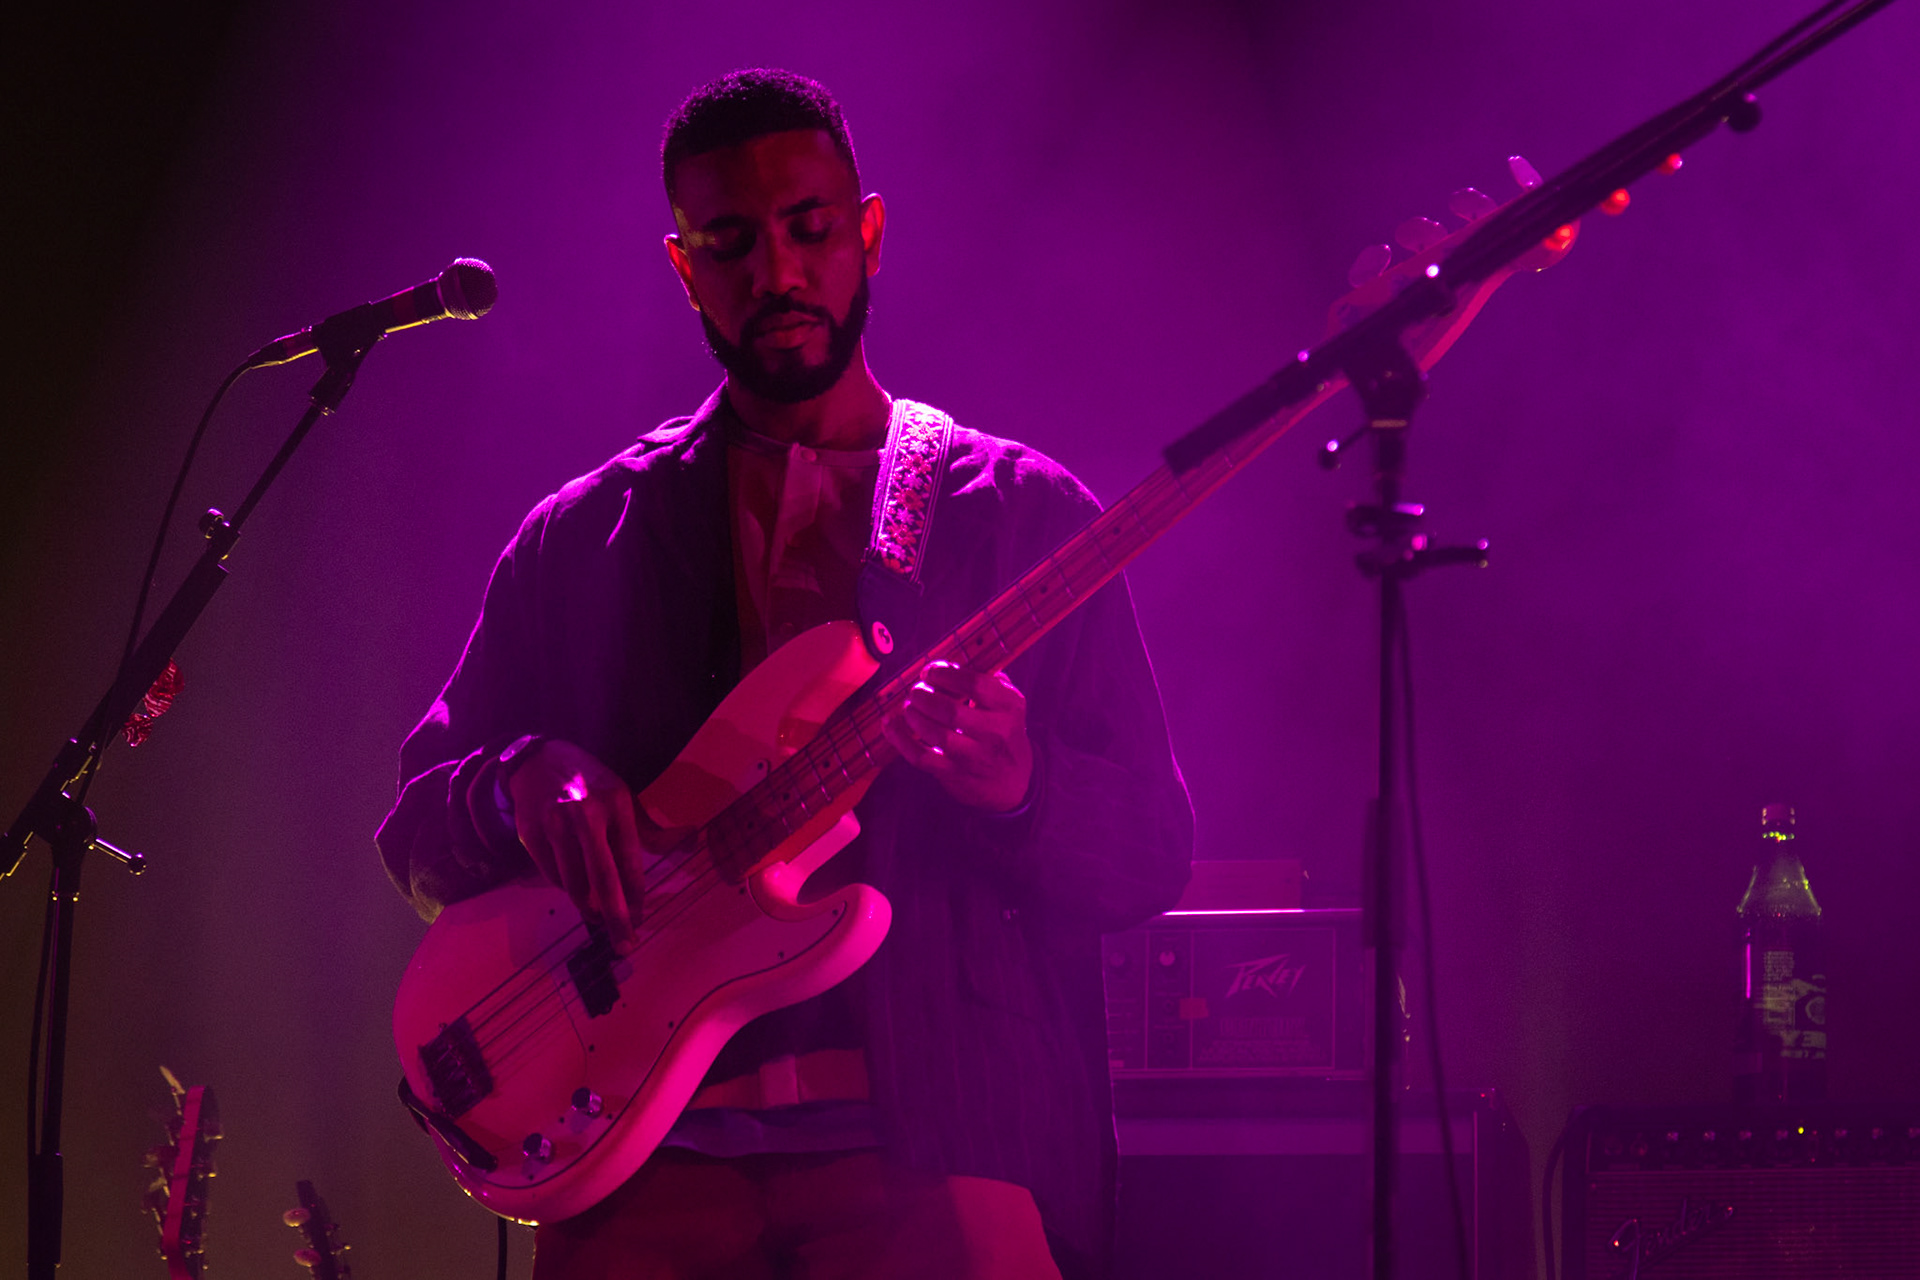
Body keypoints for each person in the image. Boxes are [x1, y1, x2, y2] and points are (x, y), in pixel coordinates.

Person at [378, 69, 1192, 1280]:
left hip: (935, 1145)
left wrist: (1025, 786)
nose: (778, 272)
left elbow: (1151, 853)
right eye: (732, 243)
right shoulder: (581, 538)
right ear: (684, 266)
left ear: (868, 233)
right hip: (641, 1161)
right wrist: (516, 782)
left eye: (810, 229)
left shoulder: (1019, 515)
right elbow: (416, 830)